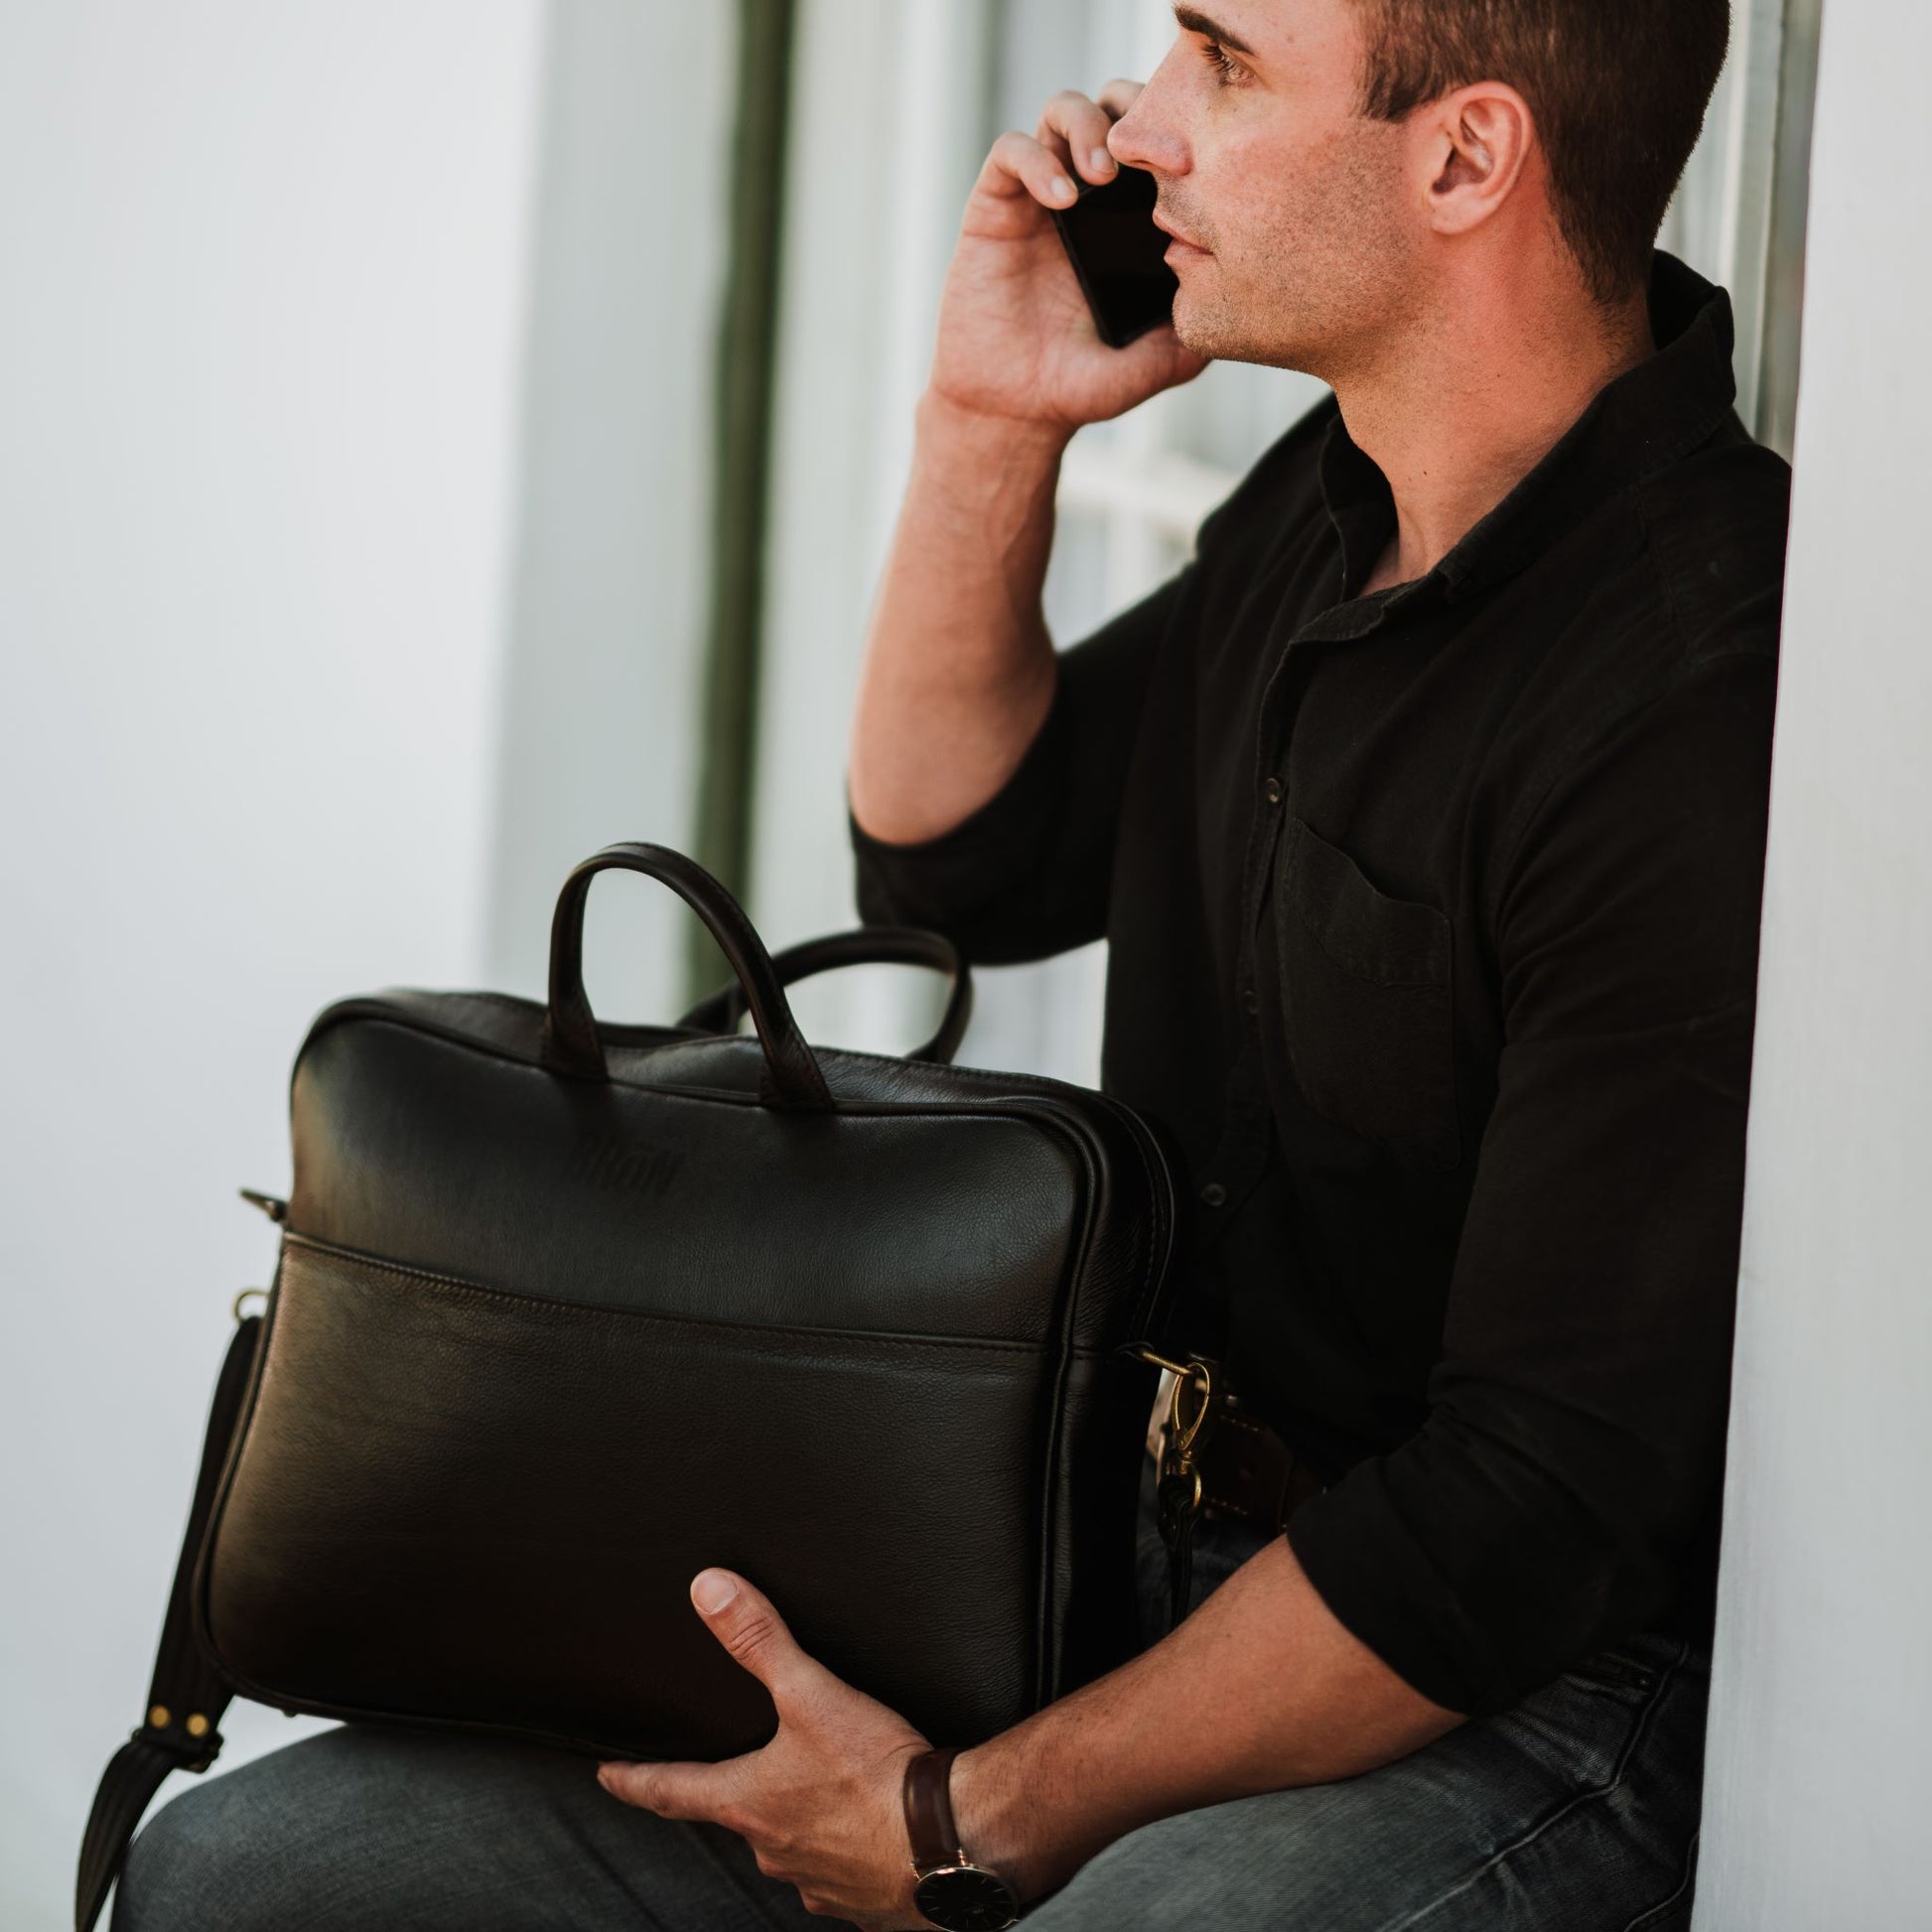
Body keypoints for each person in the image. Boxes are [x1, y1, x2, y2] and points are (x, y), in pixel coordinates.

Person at [114, 2, 1786, 1928]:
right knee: (265, 1873)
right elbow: (952, 855)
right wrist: (987, 417)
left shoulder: (1695, 680)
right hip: (1105, 1571)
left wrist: (956, 1818)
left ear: (1465, 159)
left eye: (1222, 63)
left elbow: (1518, 1520)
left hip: (1494, 1700)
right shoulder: (1329, 514)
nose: (1135, 125)